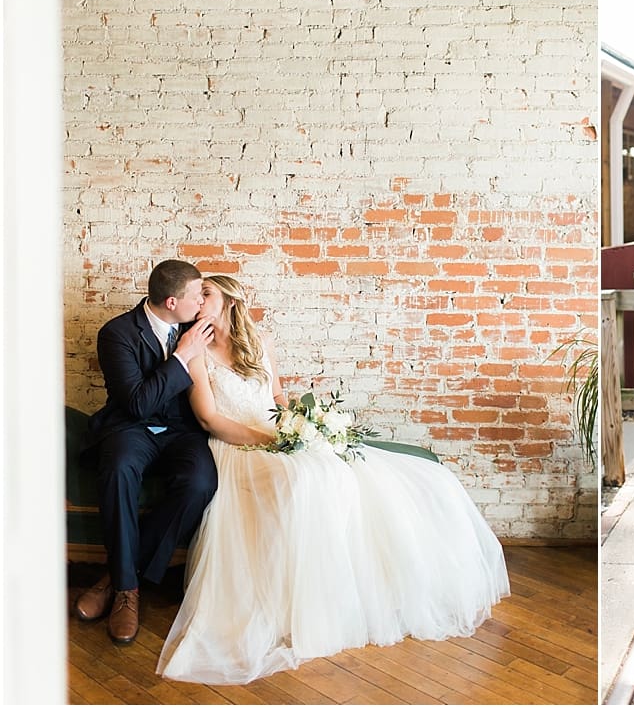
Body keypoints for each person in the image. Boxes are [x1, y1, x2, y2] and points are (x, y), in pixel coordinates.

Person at [157, 275, 510, 684]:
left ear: (230, 302)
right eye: (196, 294)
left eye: (207, 293)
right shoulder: (195, 353)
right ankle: (290, 604)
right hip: (236, 446)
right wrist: (272, 439)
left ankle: (346, 595)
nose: (197, 300)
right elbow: (209, 418)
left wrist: (298, 425)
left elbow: (276, 398)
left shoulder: (260, 344)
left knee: (344, 473)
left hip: (277, 436)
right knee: (300, 481)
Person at [74, 259, 220, 644]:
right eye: (195, 296)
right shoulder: (117, 334)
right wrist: (181, 356)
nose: (200, 302)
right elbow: (137, 403)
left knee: (201, 482)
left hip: (181, 433)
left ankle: (120, 576)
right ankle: (127, 593)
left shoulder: (196, 326)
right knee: (119, 467)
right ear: (171, 302)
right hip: (132, 427)